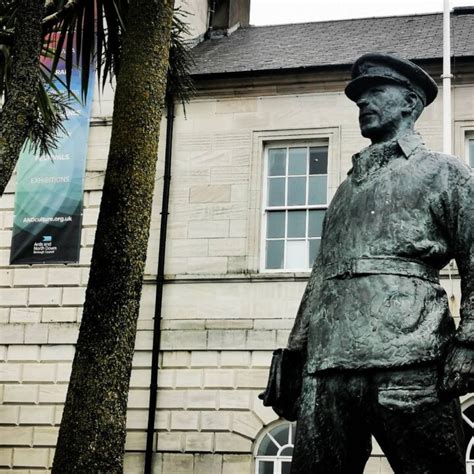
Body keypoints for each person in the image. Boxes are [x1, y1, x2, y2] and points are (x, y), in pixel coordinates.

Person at [282, 53, 474, 473]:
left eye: (374, 92)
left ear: (410, 102)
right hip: (329, 366)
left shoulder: (444, 172)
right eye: (358, 98)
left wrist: (470, 341)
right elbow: (321, 277)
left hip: (411, 358)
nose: (362, 103)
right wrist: (295, 354)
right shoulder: (345, 190)